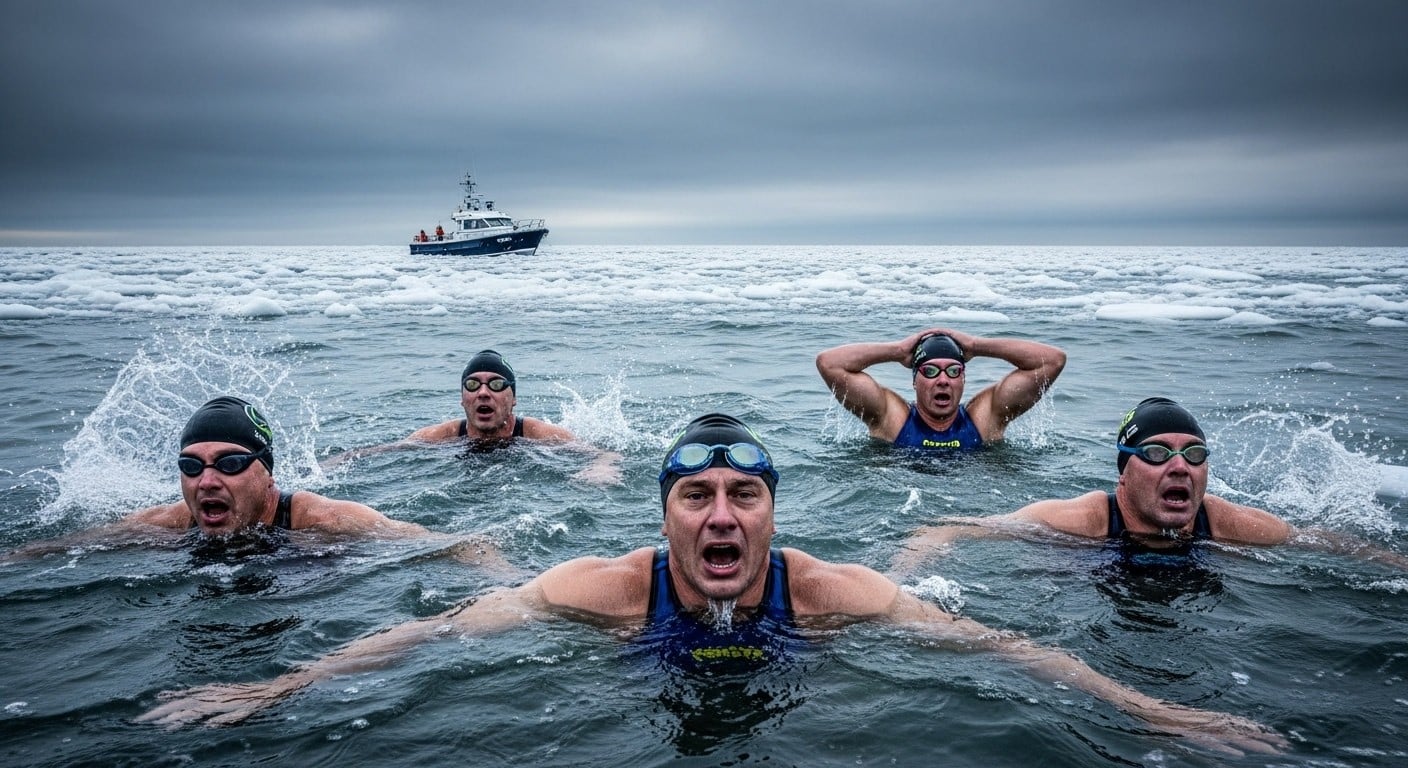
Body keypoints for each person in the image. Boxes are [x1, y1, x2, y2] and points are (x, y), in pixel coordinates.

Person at [140, 413, 1285, 756]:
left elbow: (1009, 654)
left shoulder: (829, 592)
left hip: (798, 697)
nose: (723, 515)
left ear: (775, 516)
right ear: (665, 515)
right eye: (698, 498)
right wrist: (272, 692)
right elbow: (435, 632)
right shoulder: (604, 587)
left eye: (745, 496)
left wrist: (1157, 712)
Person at [893, 397, 1408, 573]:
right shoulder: (1083, 520)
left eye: (1194, 454)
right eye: (1158, 454)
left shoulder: (1228, 523)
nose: (1180, 467)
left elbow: (1323, 542)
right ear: (1124, 471)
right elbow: (948, 529)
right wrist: (909, 574)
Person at [4, 396, 505, 567]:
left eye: (228, 463)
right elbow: (66, 547)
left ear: (268, 475)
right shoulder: (166, 523)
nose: (207, 481)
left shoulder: (321, 518)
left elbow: (452, 545)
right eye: (192, 466)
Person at [322, 349, 621, 484]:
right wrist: (338, 461)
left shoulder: (538, 435)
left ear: (513, 399)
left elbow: (603, 455)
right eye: (472, 384)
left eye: (496, 384)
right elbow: (386, 451)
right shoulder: (441, 437)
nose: (483, 392)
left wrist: (601, 469)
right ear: (462, 399)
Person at [816, 327, 1065, 450]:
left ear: (963, 379)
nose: (943, 380)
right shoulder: (891, 418)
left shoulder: (985, 417)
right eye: (931, 371)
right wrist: (897, 351)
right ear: (914, 380)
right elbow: (829, 363)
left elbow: (1052, 360)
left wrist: (976, 345)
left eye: (954, 371)